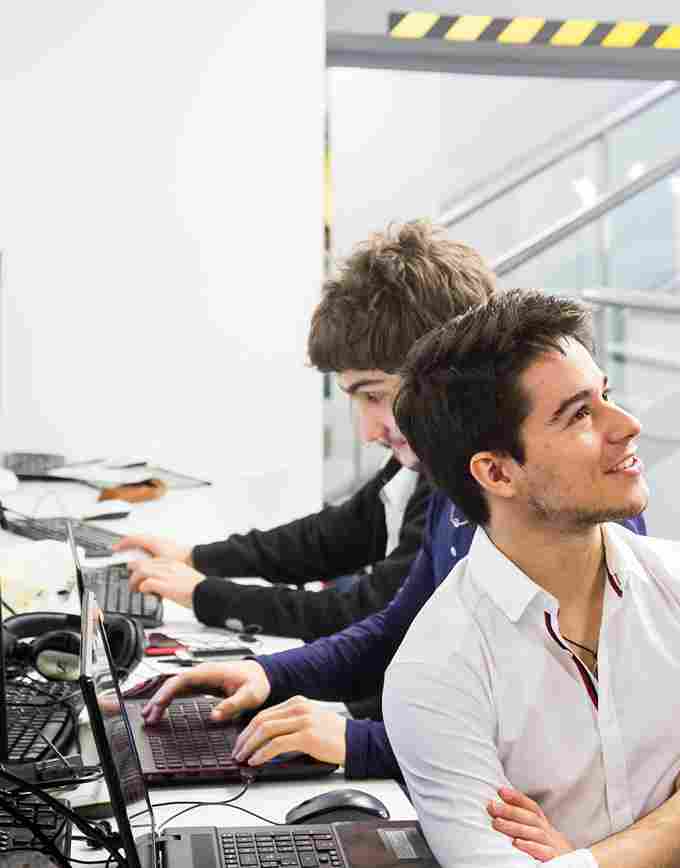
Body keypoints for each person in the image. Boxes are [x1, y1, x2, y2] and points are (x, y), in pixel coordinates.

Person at [382, 290, 680, 868]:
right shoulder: (435, 670)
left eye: (606, 394)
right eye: (580, 413)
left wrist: (585, 859)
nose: (628, 425)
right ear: (497, 472)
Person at [116, 220, 495, 642]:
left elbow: (364, 613)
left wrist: (204, 595)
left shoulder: (470, 488)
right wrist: (198, 558)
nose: (368, 432)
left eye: (374, 396)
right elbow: (337, 535)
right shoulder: (427, 462)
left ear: (440, 372)